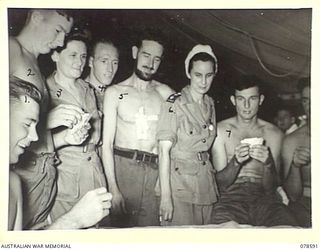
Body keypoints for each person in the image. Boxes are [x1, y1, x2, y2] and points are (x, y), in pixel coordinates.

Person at [9, 9, 109, 230]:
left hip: (44, 178)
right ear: (36, 16)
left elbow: (39, 140)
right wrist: (46, 119)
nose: (61, 40)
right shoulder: (10, 49)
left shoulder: (33, 61)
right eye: (57, 30)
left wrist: (65, 137)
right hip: (29, 173)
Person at [9, 77, 112, 230]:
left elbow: (17, 244)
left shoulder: (13, 182)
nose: (36, 136)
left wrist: (65, 138)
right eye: (26, 124)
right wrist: (73, 220)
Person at [102, 28, 174, 227]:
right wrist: (113, 188)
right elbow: (106, 145)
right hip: (123, 168)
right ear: (135, 53)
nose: (150, 64)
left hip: (154, 171)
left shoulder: (165, 93)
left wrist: (164, 183)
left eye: (157, 59)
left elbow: (177, 136)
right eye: (146, 55)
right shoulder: (115, 92)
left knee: (149, 235)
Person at [211, 75, 298, 227]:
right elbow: (220, 184)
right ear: (233, 100)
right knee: (222, 234)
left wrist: (268, 164)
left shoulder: (274, 134)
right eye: (240, 99)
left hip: (265, 200)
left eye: (252, 99)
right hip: (230, 200)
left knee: (289, 230)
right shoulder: (222, 130)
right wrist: (236, 163)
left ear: (261, 100)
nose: (246, 105)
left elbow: (271, 187)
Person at [46, 31, 107, 221]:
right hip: (65, 179)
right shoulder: (44, 92)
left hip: (95, 173)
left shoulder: (88, 89)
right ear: (55, 55)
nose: (79, 62)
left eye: (82, 56)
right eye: (72, 55)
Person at [156, 45, 219, 226]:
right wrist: (166, 198)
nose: (203, 81)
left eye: (209, 75)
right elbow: (163, 152)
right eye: (198, 75)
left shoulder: (210, 104)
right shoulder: (174, 104)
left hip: (205, 183)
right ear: (189, 73)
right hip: (178, 185)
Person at [282, 78, 311, 227]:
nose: (311, 106)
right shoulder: (292, 141)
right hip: (304, 206)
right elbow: (292, 196)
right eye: (306, 101)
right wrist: (295, 166)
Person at [85, 39, 119, 112]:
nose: (110, 69)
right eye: (104, 61)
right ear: (91, 62)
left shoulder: (116, 93)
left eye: (115, 63)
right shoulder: (80, 93)